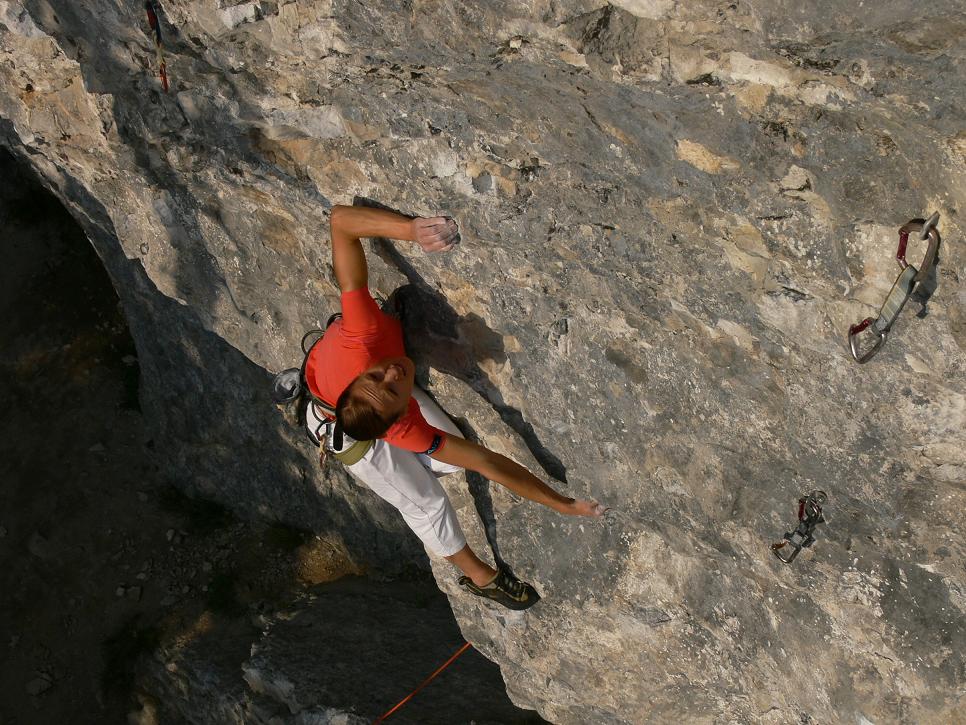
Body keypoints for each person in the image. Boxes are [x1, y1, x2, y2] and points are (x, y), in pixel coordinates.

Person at [304, 204, 605, 610]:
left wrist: (412, 231)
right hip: (348, 439)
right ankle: (483, 578)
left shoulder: (362, 336)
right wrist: (563, 505)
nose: (393, 373)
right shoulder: (403, 428)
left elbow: (340, 223)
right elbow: (488, 462)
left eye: (375, 377)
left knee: (453, 453)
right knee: (426, 503)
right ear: (399, 419)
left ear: (358, 378)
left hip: (352, 400)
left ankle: (421, 462)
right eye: (394, 391)